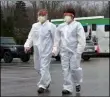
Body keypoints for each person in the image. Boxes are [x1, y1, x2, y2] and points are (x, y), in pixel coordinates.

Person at [52, 8, 86, 95]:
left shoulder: (77, 25)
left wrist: (79, 52)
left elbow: (82, 40)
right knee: (65, 69)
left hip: (74, 52)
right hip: (64, 52)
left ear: (72, 16)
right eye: (65, 15)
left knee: (74, 69)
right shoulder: (61, 26)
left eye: (67, 15)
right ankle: (67, 87)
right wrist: (55, 49)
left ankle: (77, 82)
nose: (66, 17)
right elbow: (57, 39)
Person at [24, 9, 56, 94]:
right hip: (37, 50)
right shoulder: (35, 26)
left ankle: (42, 85)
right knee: (37, 67)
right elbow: (31, 37)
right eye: (40, 15)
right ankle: (47, 80)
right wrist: (27, 45)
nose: (41, 17)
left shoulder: (51, 26)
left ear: (46, 16)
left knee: (44, 67)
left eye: (43, 15)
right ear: (38, 16)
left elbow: (55, 39)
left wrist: (55, 49)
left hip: (47, 50)